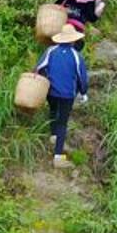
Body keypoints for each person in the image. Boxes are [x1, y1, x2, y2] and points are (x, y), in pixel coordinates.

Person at [36, 23, 88, 169]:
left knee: (53, 110)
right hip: (67, 94)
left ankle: (54, 136)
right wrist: (83, 92)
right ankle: (58, 157)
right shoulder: (76, 56)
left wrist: (44, 80)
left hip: (50, 90)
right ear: (73, 40)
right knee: (63, 122)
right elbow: (82, 77)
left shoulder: (51, 51)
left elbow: (39, 68)